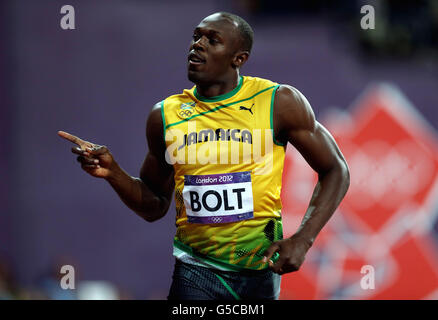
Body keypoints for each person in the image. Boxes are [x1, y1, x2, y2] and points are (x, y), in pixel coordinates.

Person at [58, 12, 349, 300]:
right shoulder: (166, 115)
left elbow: (336, 169)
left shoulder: (278, 102)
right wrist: (113, 173)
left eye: (213, 40)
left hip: (259, 271)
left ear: (239, 58)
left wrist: (303, 239)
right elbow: (154, 205)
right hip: (196, 270)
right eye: (197, 36)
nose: (198, 44)